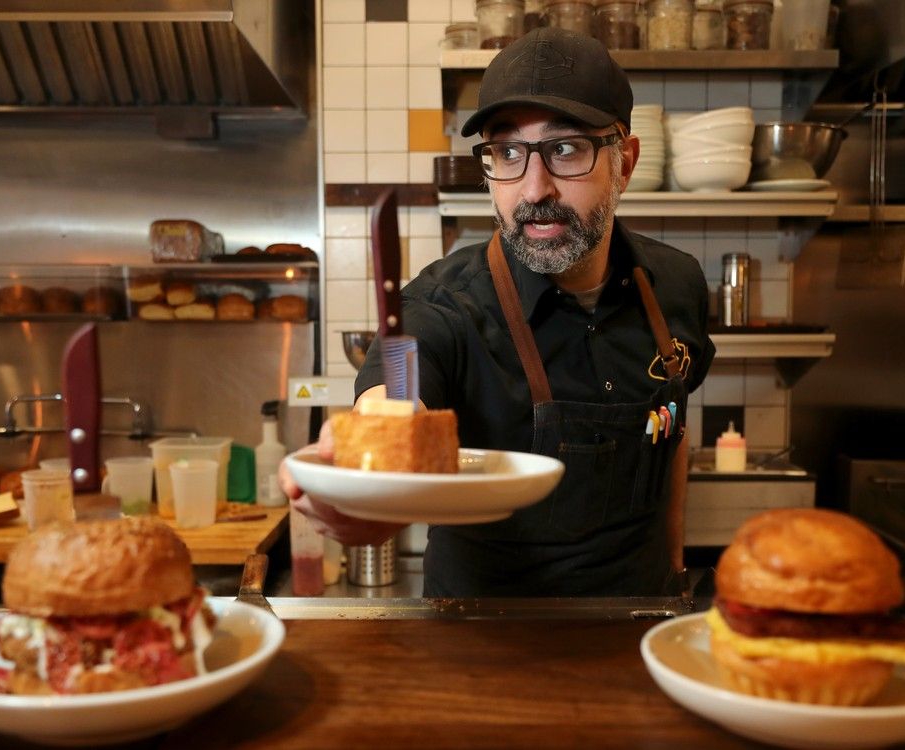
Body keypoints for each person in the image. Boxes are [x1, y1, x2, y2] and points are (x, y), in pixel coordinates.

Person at [282, 26, 715, 597]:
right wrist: (371, 463)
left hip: (639, 629)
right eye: (507, 152)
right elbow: (397, 388)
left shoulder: (675, 285)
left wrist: (677, 568)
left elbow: (671, 433)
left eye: (565, 149)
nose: (534, 188)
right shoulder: (440, 307)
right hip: (481, 641)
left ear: (625, 163)